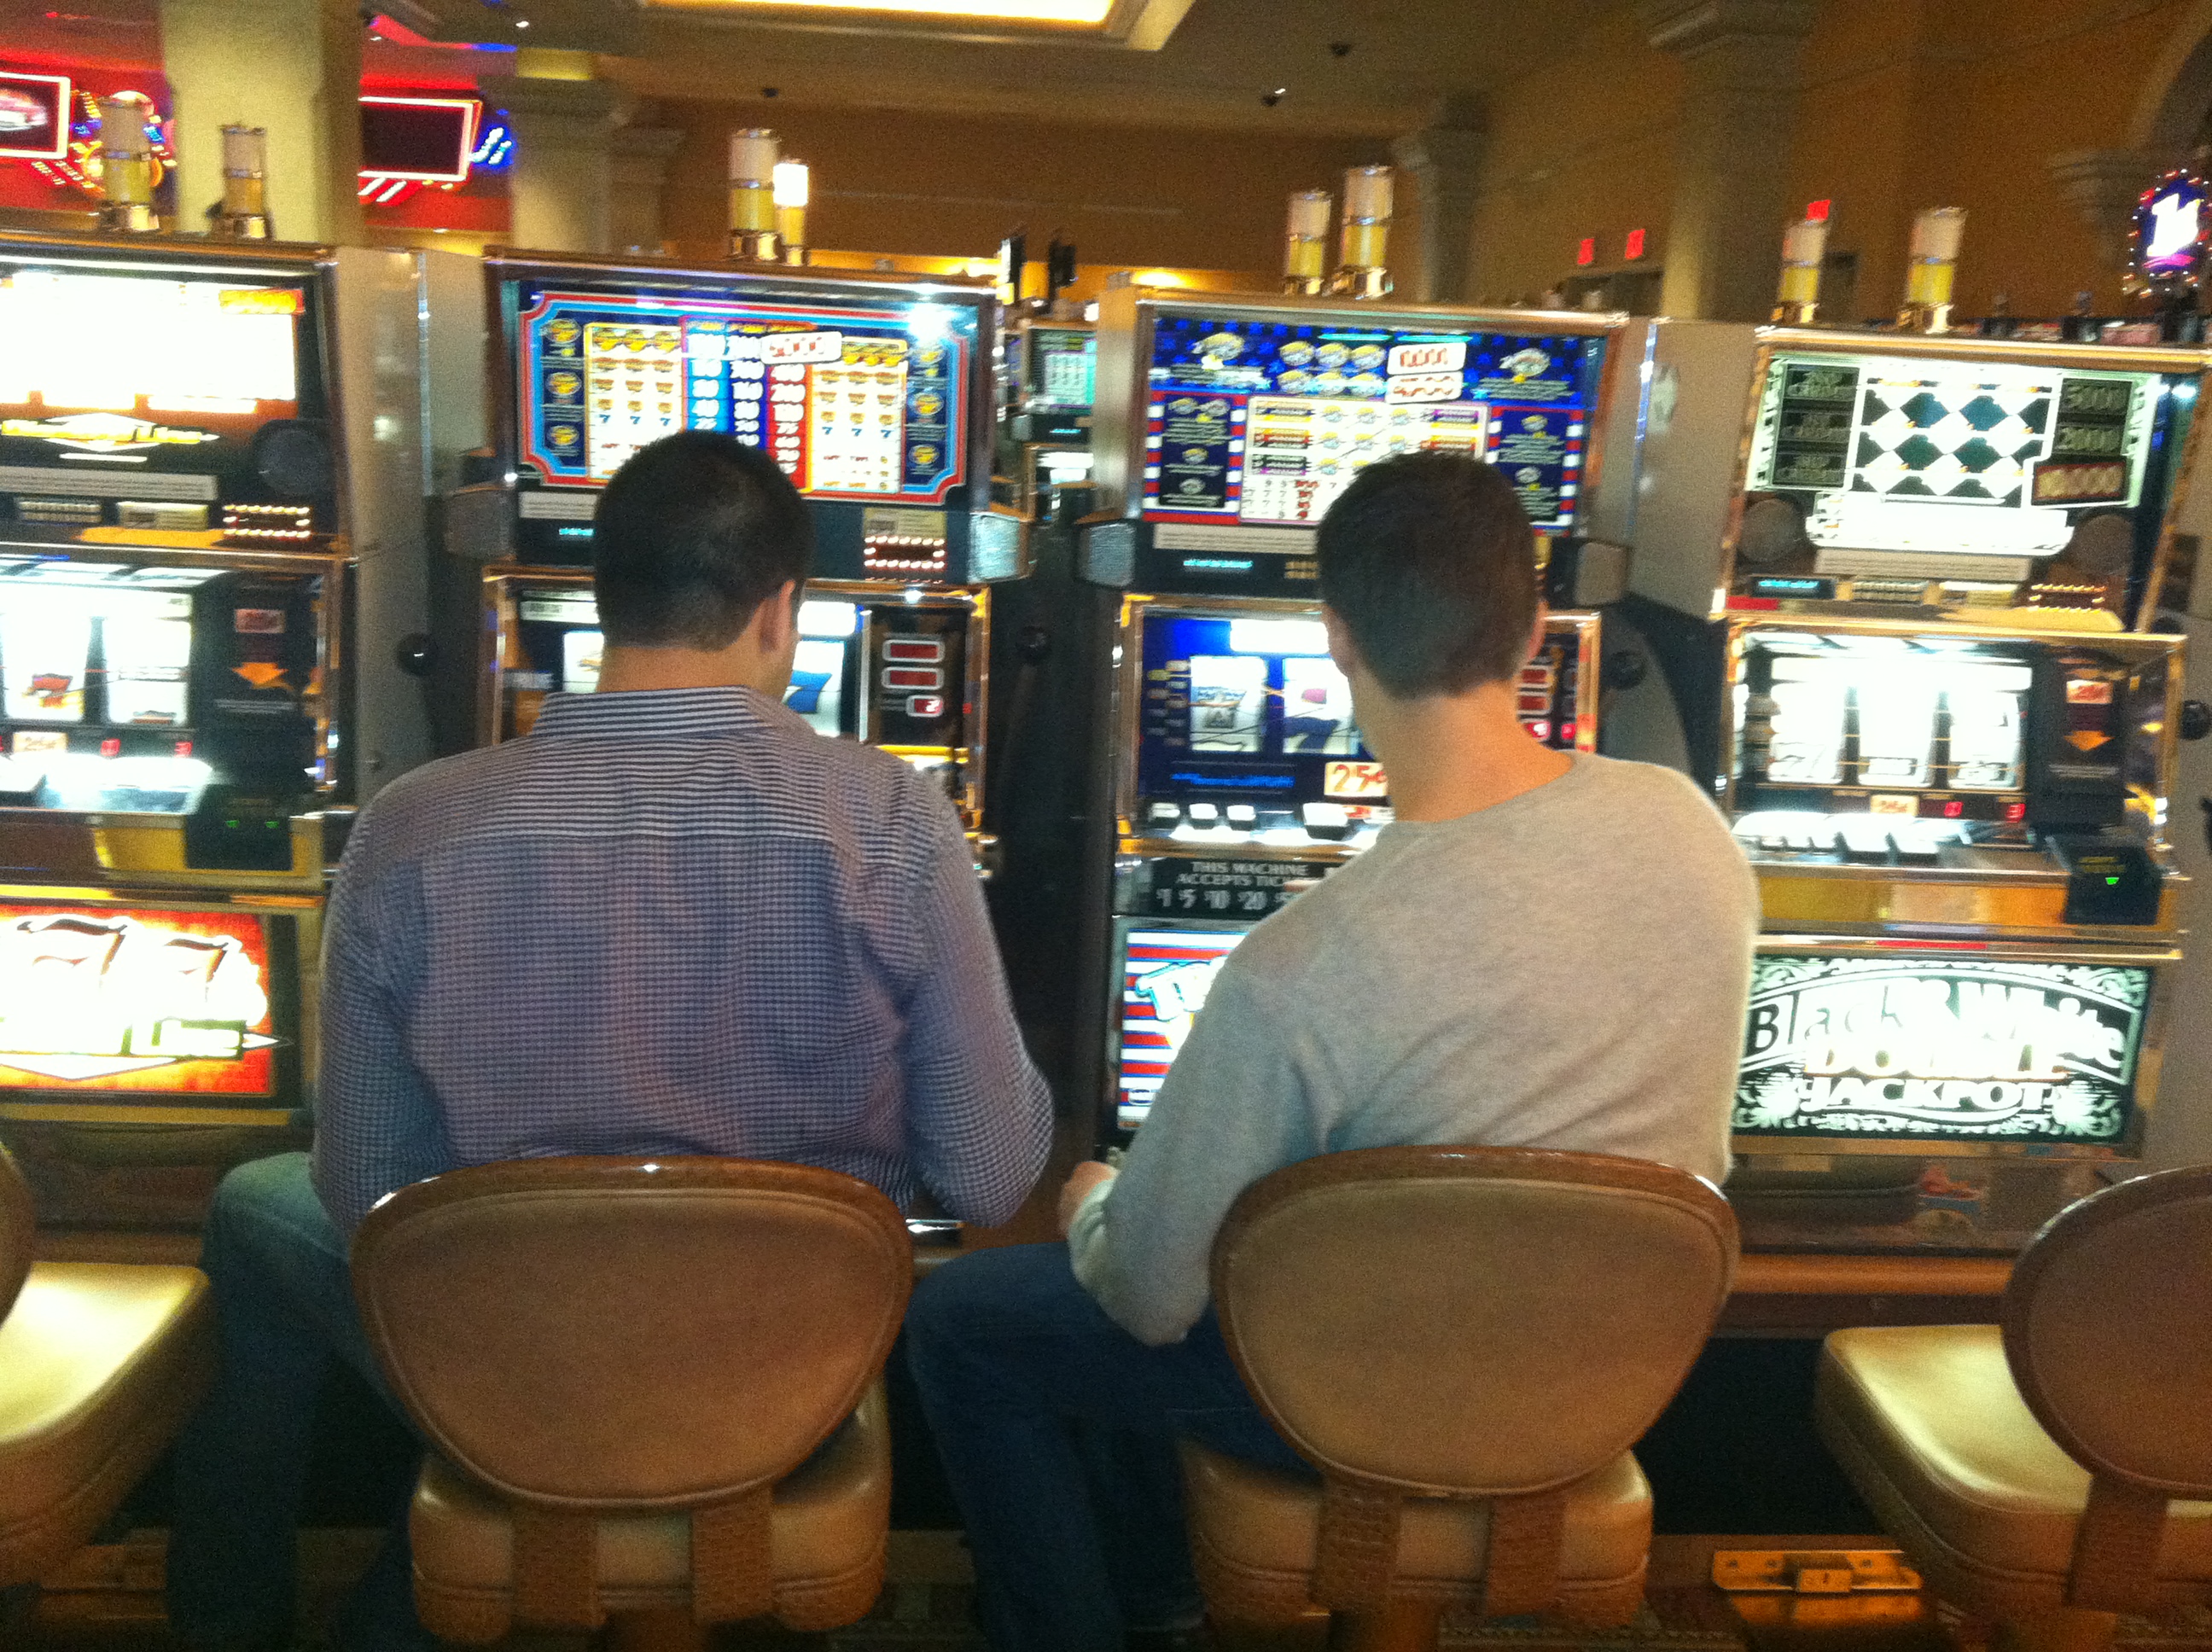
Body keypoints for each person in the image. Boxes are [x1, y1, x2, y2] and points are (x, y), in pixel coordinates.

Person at [166, 431, 1053, 1652]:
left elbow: (365, 1182)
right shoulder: (896, 817)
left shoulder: (411, 825)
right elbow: (990, 1175)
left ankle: (235, 1619)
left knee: (252, 1206)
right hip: (784, 1362)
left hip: (509, 1346)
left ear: (598, 596)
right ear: (780, 611)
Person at [905, 450, 1757, 1652]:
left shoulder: (1300, 966)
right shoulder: (1692, 829)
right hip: (1609, 1374)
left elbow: (1151, 1297)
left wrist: (1098, 1208)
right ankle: (1159, 1598)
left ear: (1338, 640)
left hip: (1355, 1389)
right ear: (1532, 631)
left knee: (974, 1320)